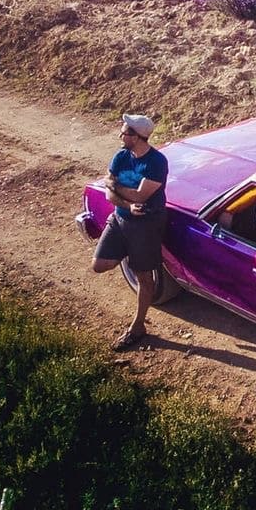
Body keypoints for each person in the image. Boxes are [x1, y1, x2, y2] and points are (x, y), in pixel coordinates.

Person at [91, 113, 168, 350]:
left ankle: (138, 327)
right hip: (120, 219)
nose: (120, 135)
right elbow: (111, 193)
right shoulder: (121, 155)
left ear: (137, 137)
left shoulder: (156, 162)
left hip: (145, 226)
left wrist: (114, 185)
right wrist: (121, 199)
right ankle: (130, 254)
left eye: (124, 132)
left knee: (145, 278)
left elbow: (139, 196)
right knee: (99, 264)